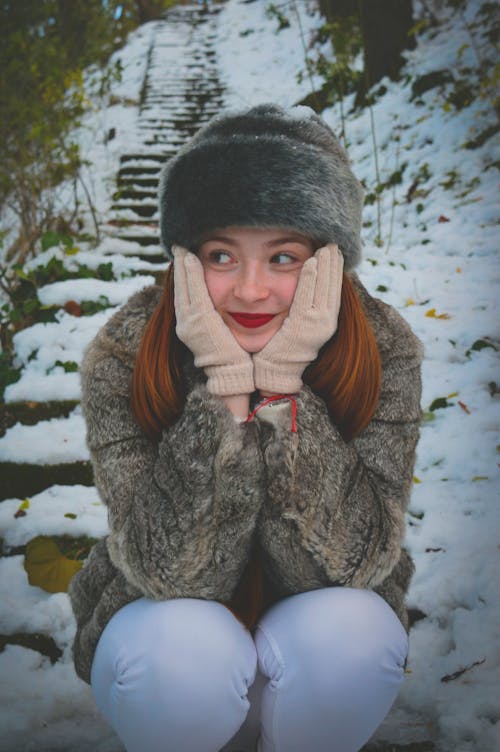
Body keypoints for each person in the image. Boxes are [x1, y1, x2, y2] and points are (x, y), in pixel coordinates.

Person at [69, 104, 424, 752]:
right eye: (222, 254)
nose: (251, 290)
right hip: (162, 647)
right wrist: (228, 393)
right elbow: (171, 577)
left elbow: (355, 564)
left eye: (284, 257)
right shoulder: (124, 355)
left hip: (311, 656)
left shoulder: (383, 348)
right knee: (184, 653)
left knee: (354, 630)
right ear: (183, 257)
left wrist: (284, 388)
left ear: (329, 262)